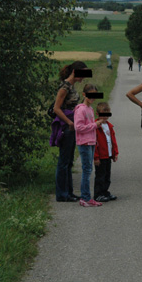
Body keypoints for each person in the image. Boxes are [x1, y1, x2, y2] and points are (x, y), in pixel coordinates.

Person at [53, 61, 88, 202]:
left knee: (68, 161)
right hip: (67, 127)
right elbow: (56, 108)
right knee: (63, 161)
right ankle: (62, 194)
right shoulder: (65, 87)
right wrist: (69, 122)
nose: (83, 78)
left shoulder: (72, 86)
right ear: (75, 72)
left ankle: (69, 192)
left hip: (73, 126)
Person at [74, 84, 107, 207]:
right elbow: (78, 127)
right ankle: (85, 198)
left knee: (88, 169)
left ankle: (87, 197)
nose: (92, 98)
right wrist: (95, 125)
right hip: (84, 143)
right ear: (84, 95)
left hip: (91, 141)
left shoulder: (90, 109)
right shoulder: (81, 109)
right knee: (87, 170)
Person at [94, 102, 119, 203]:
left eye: (107, 114)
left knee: (107, 176)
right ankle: (98, 194)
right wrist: (96, 157)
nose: (104, 117)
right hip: (100, 156)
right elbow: (94, 143)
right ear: (97, 114)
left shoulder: (109, 126)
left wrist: (115, 153)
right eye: (102, 115)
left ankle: (105, 192)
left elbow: (113, 140)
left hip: (108, 155)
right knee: (100, 176)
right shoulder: (96, 127)